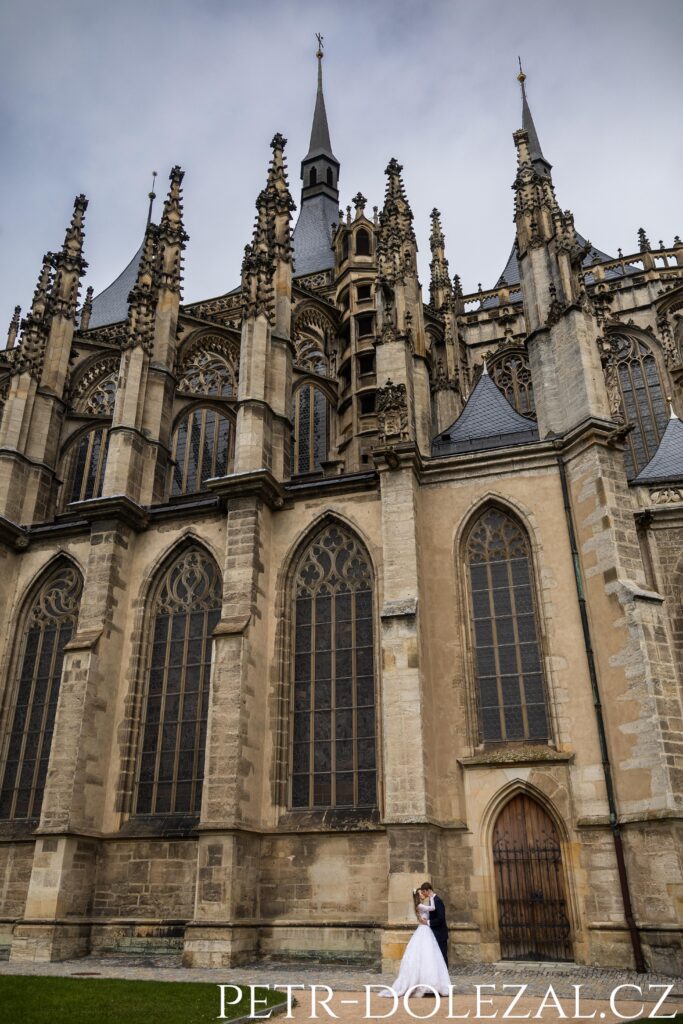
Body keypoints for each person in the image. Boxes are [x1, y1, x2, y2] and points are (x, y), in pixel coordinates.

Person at [380, 886, 451, 998]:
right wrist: (431, 895)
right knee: (426, 956)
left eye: (423, 892)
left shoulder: (421, 905)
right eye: (421, 893)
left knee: (428, 957)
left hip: (426, 931)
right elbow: (432, 908)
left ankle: (432, 984)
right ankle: (428, 984)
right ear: (418, 896)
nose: (423, 895)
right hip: (424, 930)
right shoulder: (420, 905)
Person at [420, 881, 449, 967]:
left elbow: (441, 918)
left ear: (427, 890)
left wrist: (428, 922)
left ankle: (445, 977)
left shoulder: (437, 901)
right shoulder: (432, 900)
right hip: (435, 933)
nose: (423, 894)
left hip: (440, 934)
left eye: (423, 892)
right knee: (437, 957)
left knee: (442, 956)